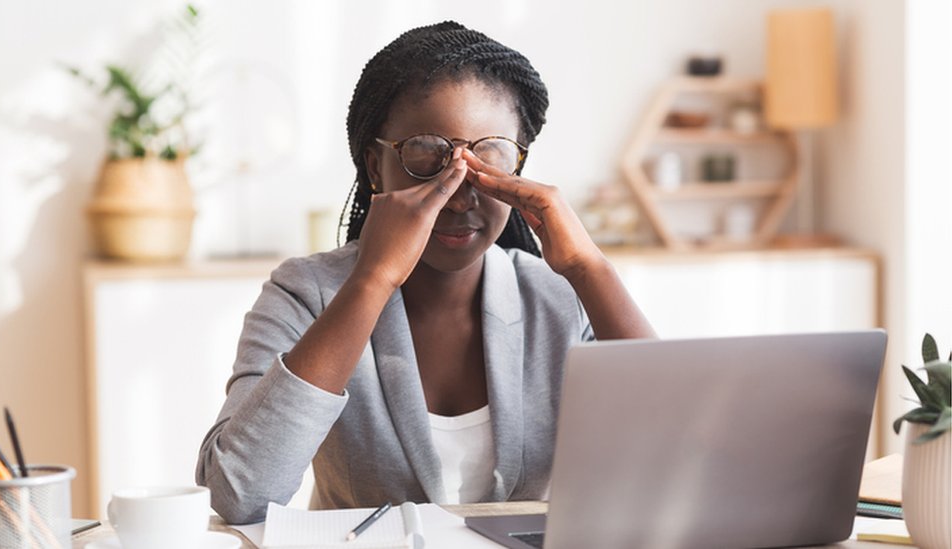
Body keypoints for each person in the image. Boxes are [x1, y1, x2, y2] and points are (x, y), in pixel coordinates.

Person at [196, 21, 655, 524]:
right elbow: (237, 497)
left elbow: (681, 460)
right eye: (426, 156)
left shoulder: (557, 297)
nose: (459, 196)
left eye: (490, 158)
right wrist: (372, 280)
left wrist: (589, 270)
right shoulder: (306, 293)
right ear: (376, 167)